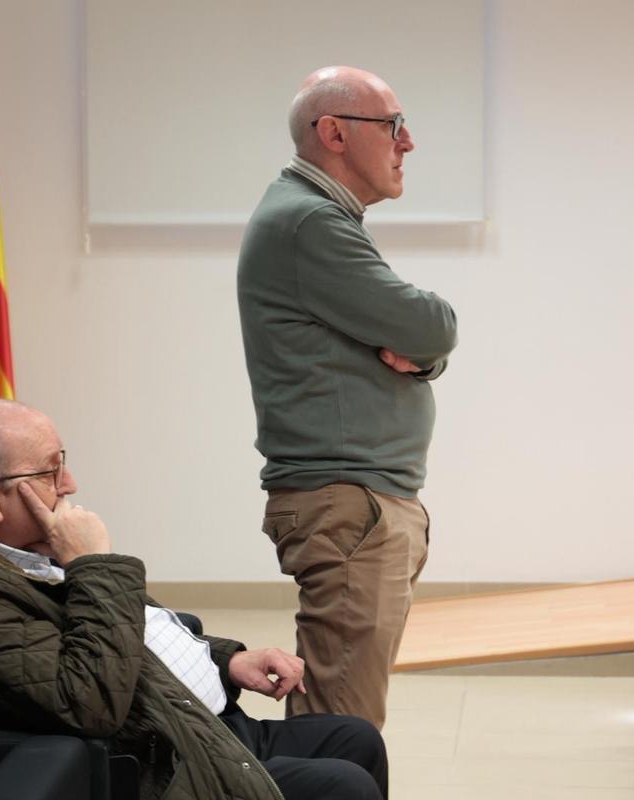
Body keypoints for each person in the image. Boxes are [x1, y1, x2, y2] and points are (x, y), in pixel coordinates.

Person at [0, 397, 387, 800]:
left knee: (355, 739)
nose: (70, 484)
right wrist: (92, 565)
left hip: (186, 721)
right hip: (156, 763)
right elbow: (88, 702)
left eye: (63, 463)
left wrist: (224, 658)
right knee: (344, 787)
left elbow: (130, 631)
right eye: (48, 472)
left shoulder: (12, 542)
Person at [236, 66, 458, 729]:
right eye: (391, 125)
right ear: (332, 132)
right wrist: (424, 346)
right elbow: (430, 326)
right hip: (349, 504)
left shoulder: (320, 215)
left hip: (359, 500)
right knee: (341, 727)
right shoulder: (308, 220)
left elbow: (421, 343)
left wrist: (422, 354)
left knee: (341, 723)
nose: (407, 142)